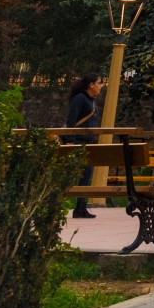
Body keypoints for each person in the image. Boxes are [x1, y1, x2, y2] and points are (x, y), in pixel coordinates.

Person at [64, 74, 103, 218]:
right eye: (99, 83)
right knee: (74, 174)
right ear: (91, 85)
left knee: (86, 176)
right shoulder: (80, 98)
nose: (101, 86)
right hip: (78, 141)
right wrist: (70, 140)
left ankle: (80, 207)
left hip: (88, 142)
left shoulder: (90, 100)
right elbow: (71, 120)